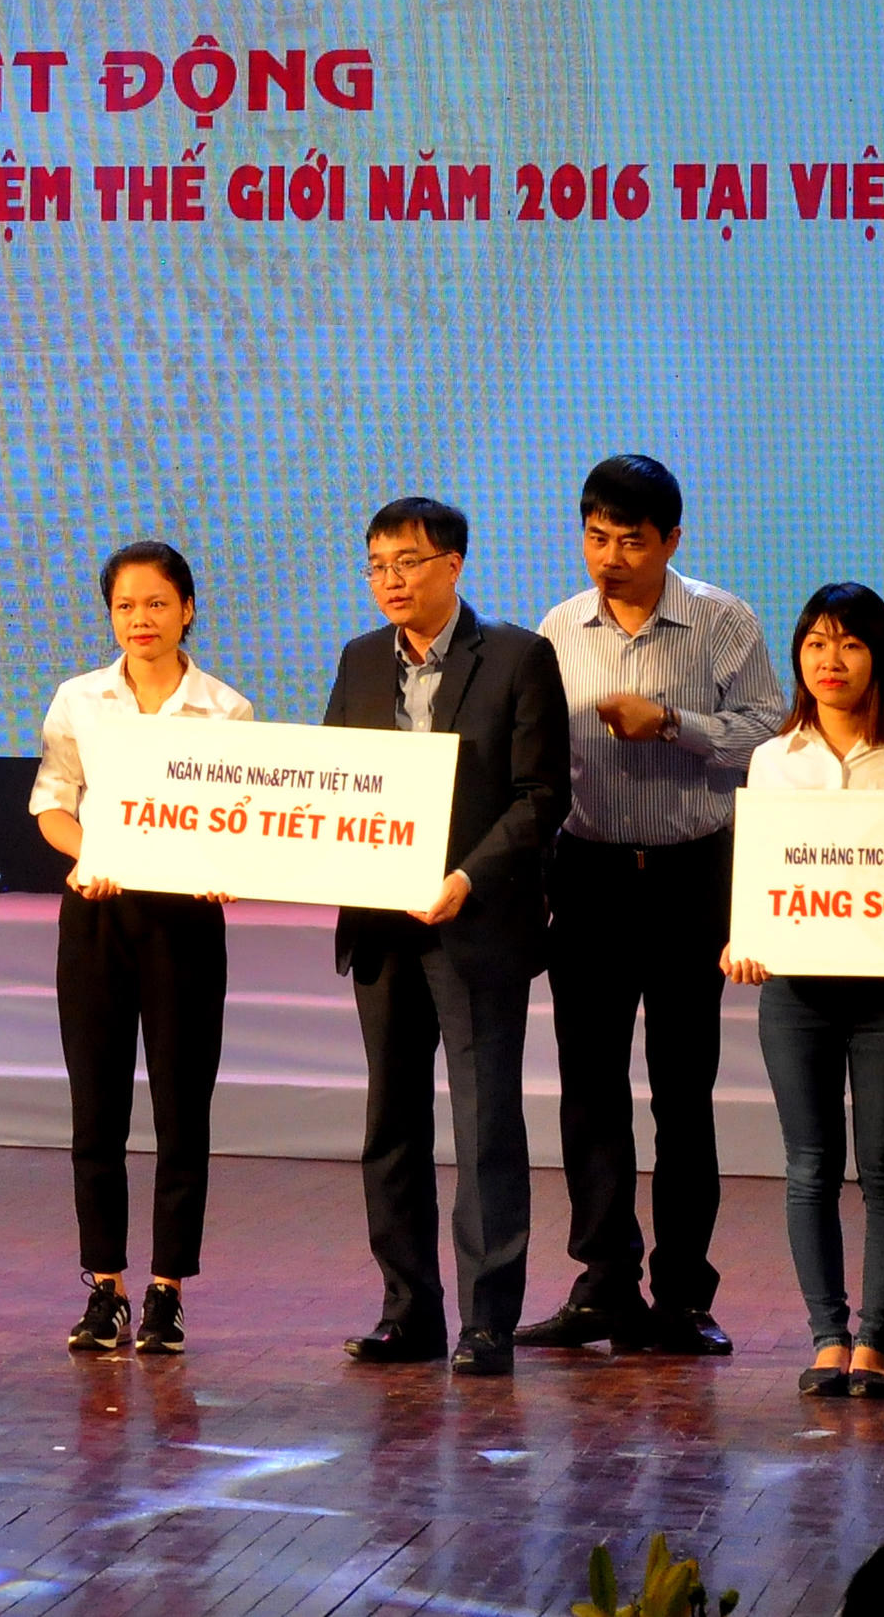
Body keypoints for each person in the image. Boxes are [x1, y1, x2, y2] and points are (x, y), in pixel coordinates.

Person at [520, 455, 788, 1360]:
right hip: (589, 875)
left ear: (672, 540)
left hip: (688, 876)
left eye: (631, 541)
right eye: (596, 537)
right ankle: (602, 1283)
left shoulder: (721, 620)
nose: (610, 557)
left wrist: (672, 724)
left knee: (682, 1091)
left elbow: (767, 730)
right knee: (591, 1089)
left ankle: (681, 1295)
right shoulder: (559, 627)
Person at [323, 495, 569, 1378]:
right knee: (390, 1126)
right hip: (382, 928)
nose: (390, 580)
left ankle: (488, 1321)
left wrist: (465, 878)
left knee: (484, 1124)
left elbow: (541, 797)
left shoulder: (516, 657)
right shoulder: (359, 660)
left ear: (453, 565)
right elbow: (333, 781)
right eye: (377, 565)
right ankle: (409, 1314)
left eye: (408, 562)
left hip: (474, 925)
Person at [721, 583, 884, 1401]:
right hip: (796, 996)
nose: (831, 660)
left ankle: (877, 1341)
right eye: (816, 642)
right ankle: (827, 1336)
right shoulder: (772, 760)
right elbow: (760, 876)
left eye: (849, 643)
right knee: (809, 1168)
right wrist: (744, 939)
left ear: (879, 657)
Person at [31, 539, 252, 1356]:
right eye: (124, 606)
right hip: (98, 915)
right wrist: (90, 853)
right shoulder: (79, 699)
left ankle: (167, 1291)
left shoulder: (226, 710)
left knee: (181, 1111)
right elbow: (52, 803)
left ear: (187, 609)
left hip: (184, 923)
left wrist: (227, 867)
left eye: (156, 603)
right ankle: (105, 1288)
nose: (140, 619)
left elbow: (239, 822)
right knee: (96, 1109)